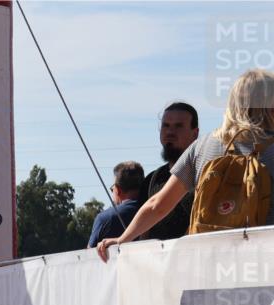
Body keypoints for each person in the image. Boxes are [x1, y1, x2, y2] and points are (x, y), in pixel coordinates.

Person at [98, 68, 274, 261]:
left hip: (209, 263)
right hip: (263, 262)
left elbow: (158, 205)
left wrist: (122, 239)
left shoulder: (202, 146)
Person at [138, 102, 199, 240]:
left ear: (195, 133)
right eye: (166, 126)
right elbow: (144, 233)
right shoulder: (152, 180)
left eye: (179, 126)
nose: (170, 132)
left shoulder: (205, 175)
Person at [87, 161, 144, 248]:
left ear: (118, 190)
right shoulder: (160, 209)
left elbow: (89, 256)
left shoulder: (104, 219)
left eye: (112, 189)